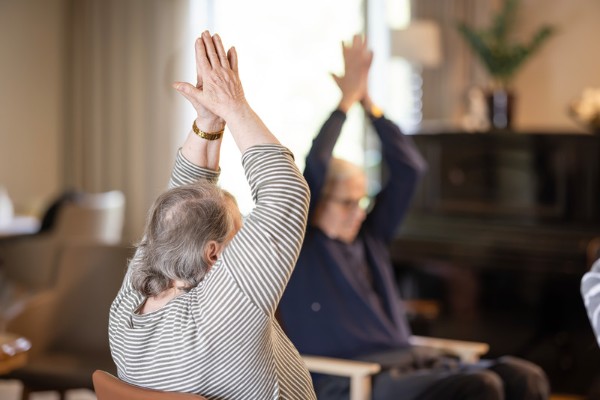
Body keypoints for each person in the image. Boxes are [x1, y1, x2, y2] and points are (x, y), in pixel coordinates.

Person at [278, 34, 549, 400]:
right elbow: (317, 164)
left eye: (362, 201)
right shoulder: (300, 244)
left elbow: (410, 169)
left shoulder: (370, 238)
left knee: (523, 375)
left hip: (412, 363)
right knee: (481, 386)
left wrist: (369, 104)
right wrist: (344, 103)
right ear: (318, 200)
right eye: (347, 203)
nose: (359, 213)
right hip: (358, 378)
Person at [108, 31, 316, 399]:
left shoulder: (127, 310)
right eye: (240, 232)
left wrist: (210, 123)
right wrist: (235, 107)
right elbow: (287, 192)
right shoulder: (225, 309)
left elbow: (178, 208)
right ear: (214, 253)